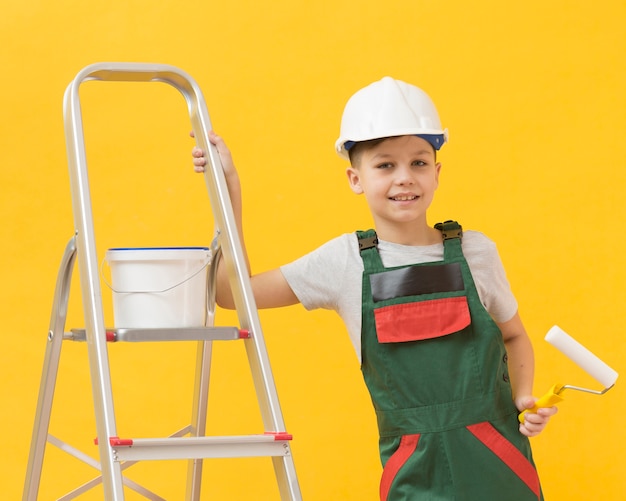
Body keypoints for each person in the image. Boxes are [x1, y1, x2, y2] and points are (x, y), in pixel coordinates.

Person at [192, 76, 557, 500]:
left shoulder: (476, 252)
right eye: (385, 165)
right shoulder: (344, 262)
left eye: (419, 163)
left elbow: (514, 335)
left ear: (437, 173)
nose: (405, 178)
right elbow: (233, 296)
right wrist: (229, 191)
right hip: (414, 469)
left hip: (499, 460)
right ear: (355, 178)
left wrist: (525, 398)